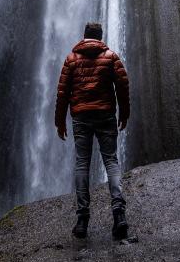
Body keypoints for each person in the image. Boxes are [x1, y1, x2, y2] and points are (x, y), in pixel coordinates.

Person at [54, 22, 130, 240]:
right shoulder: (111, 57)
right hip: (105, 115)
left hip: (80, 117)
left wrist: (60, 121)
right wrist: (124, 113)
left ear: (84, 36)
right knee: (111, 162)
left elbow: (62, 92)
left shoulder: (71, 59)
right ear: (100, 37)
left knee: (81, 163)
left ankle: (82, 220)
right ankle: (119, 214)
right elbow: (123, 86)